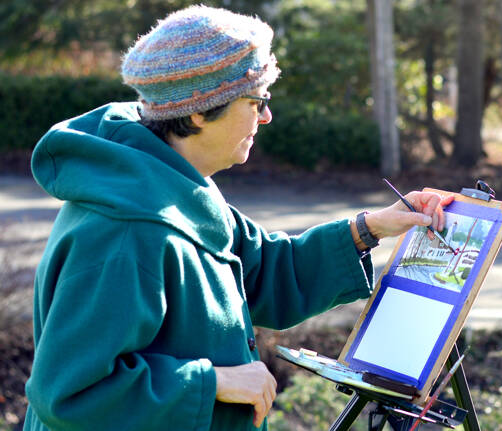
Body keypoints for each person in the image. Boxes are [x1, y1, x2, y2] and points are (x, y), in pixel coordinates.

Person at [23, 6, 452, 431]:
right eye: (256, 101)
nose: (266, 116)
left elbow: (261, 270)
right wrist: (213, 383)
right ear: (198, 111)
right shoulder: (127, 230)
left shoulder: (173, 182)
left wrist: (369, 228)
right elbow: (72, 392)